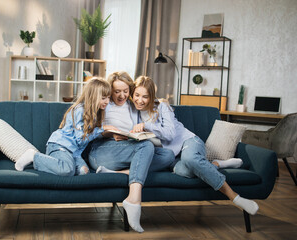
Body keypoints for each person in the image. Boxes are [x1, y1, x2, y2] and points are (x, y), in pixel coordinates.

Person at [130, 75, 259, 216]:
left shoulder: (161, 107)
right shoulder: (132, 112)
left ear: (151, 97)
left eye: (145, 96)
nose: (140, 100)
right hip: (171, 157)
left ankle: (235, 197)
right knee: (185, 171)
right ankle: (218, 164)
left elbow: (170, 134)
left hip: (189, 142)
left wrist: (146, 126)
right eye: (137, 95)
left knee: (191, 160)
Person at [88, 71, 174, 233]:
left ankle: (117, 173)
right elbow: (88, 128)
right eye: (117, 91)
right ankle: (134, 199)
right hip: (102, 151)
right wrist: (108, 131)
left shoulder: (132, 106)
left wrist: (159, 102)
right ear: (110, 90)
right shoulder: (104, 103)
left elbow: (147, 101)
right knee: (147, 147)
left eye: (125, 91)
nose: (121, 96)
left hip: (127, 150)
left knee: (168, 155)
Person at [14, 77, 112, 176]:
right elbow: (80, 139)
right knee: (67, 170)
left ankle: (62, 164)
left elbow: (91, 135)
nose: (107, 101)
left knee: (84, 172)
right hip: (60, 146)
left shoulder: (96, 114)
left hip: (75, 153)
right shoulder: (79, 110)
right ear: (93, 96)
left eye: (108, 97)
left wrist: (107, 133)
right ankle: (33, 156)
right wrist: (103, 129)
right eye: (103, 98)